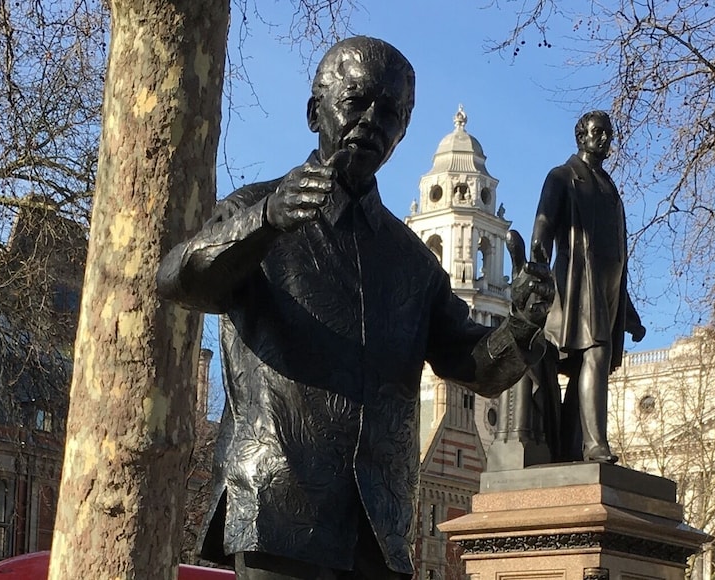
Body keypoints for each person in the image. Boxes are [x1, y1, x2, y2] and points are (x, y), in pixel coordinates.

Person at [157, 36, 553, 579]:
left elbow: (475, 365)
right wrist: (267, 221)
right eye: (357, 101)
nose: (372, 120)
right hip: (278, 502)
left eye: (390, 112)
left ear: (401, 133)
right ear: (313, 110)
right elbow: (180, 277)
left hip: (378, 524)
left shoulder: (413, 263)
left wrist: (526, 322)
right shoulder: (253, 209)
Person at [531, 110, 645, 464]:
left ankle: (573, 447)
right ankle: (596, 445)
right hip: (575, 287)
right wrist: (537, 277)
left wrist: (628, 312)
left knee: (591, 364)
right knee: (595, 354)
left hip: (607, 294)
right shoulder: (563, 177)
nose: (604, 139)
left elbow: (615, 259)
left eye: (608, 133)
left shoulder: (610, 190)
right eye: (597, 132)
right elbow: (541, 236)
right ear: (580, 136)